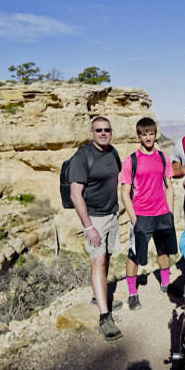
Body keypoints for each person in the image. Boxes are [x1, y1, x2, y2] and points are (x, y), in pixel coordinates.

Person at [68, 116, 123, 341]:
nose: (103, 133)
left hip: (111, 214)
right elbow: (75, 194)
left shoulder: (113, 152)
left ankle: (98, 296)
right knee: (98, 261)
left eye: (107, 130)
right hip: (95, 218)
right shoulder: (83, 156)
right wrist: (88, 226)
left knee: (107, 257)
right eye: (98, 130)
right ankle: (104, 317)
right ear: (91, 132)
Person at [120, 117, 178, 310]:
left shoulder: (163, 158)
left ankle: (165, 284)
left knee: (163, 250)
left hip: (161, 213)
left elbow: (169, 186)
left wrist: (169, 212)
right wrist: (134, 218)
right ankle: (132, 293)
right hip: (141, 215)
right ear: (139, 136)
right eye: (144, 134)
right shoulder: (131, 160)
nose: (148, 137)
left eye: (151, 134)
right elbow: (124, 192)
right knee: (134, 254)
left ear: (155, 134)